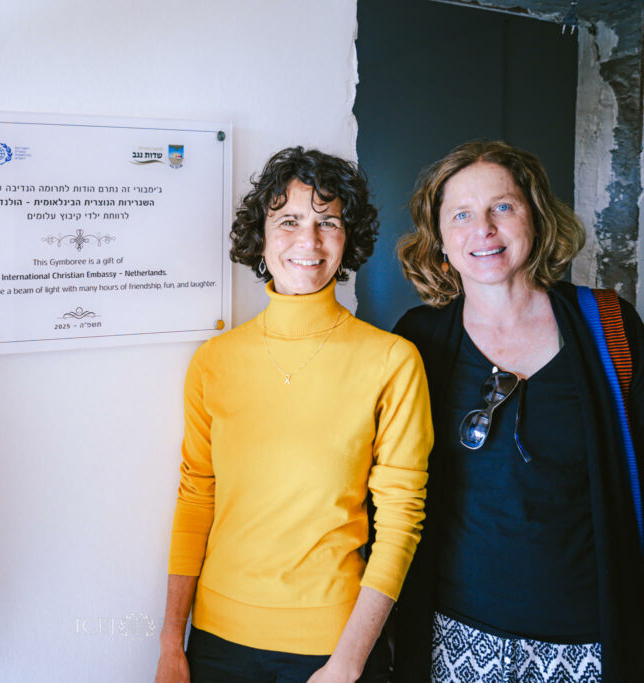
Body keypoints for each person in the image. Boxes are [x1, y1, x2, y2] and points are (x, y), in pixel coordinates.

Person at [153, 147, 433, 683]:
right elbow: (196, 499)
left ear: (348, 239)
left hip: (335, 646)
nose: (309, 241)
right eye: (289, 221)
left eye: (328, 222)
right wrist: (172, 639)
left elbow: (402, 520)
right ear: (261, 236)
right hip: (217, 642)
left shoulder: (392, 360)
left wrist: (349, 662)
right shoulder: (215, 361)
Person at [392, 140, 644, 682]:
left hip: (587, 642)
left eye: (502, 207)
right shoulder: (417, 341)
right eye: (461, 214)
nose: (483, 228)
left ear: (535, 216)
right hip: (453, 638)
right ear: (440, 239)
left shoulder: (611, 327)